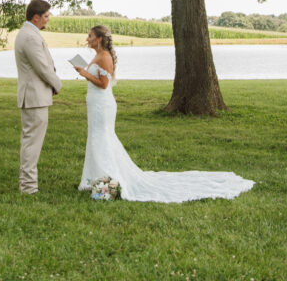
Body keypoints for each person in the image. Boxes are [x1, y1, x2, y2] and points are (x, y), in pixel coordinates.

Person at [74, 24, 255, 202]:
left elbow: (104, 84)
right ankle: (96, 181)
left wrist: (84, 73)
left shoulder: (104, 56)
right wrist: (84, 71)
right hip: (95, 103)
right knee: (96, 138)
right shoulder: (97, 55)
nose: (87, 39)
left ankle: (107, 188)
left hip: (102, 104)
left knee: (102, 139)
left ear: (99, 39)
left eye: (90, 36)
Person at [14, 0, 62, 195]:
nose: (48, 20)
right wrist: (57, 84)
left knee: (31, 141)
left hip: (35, 96)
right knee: (32, 142)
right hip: (34, 97)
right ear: (36, 17)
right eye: (46, 16)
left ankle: (27, 183)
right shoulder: (30, 37)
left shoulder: (29, 34)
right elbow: (42, 67)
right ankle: (28, 186)